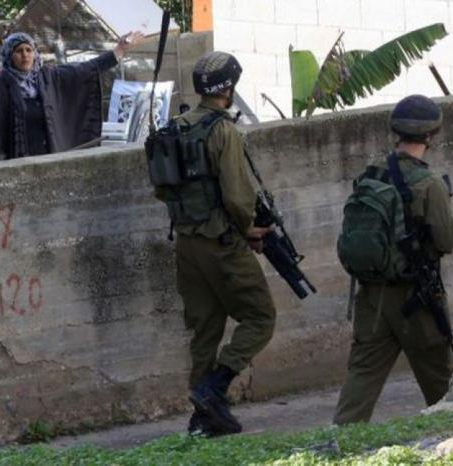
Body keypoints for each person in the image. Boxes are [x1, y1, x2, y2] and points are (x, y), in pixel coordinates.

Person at [167, 51, 276, 437]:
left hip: (187, 243)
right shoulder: (223, 131)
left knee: (205, 330)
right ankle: (214, 389)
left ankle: (202, 419)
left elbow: (164, 188)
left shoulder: (177, 126)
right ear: (227, 88)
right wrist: (248, 229)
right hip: (222, 242)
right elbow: (237, 196)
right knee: (261, 317)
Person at [333, 95, 453, 425]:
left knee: (362, 373)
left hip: (371, 295)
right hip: (415, 298)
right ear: (430, 135)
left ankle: (342, 439)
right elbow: (447, 241)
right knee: (442, 380)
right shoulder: (429, 184)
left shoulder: (371, 176)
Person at [0, 31, 143, 163]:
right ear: (9, 56)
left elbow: (84, 70)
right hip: (15, 165)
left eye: (29, 50)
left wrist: (119, 51)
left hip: (48, 160)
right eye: (19, 51)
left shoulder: (48, 78)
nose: (25, 55)